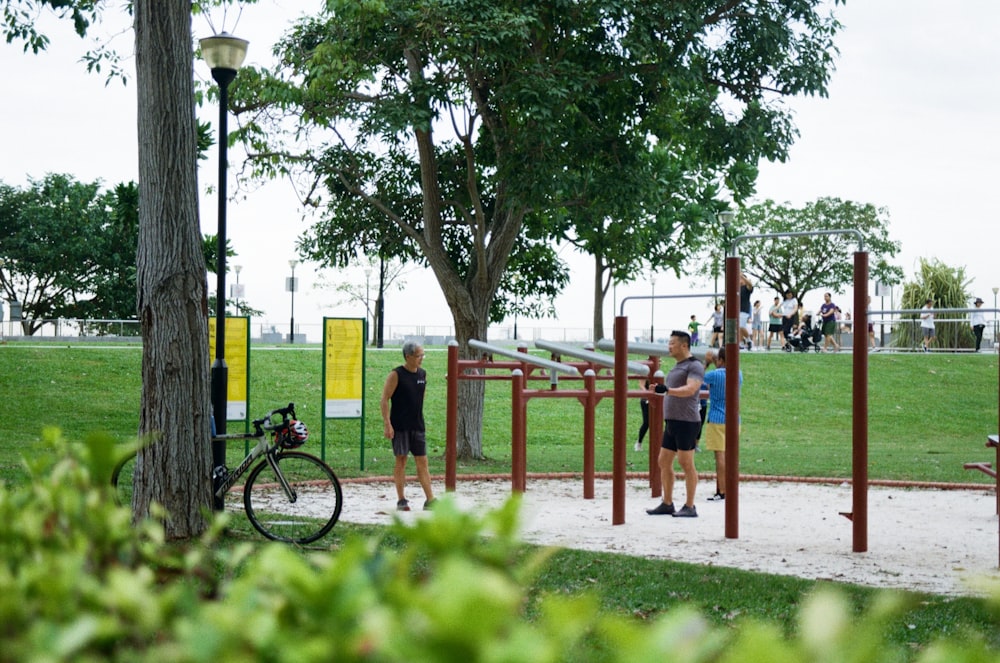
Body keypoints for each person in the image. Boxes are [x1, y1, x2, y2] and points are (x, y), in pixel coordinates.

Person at [646, 330, 705, 518]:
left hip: (687, 422)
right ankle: (667, 503)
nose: (669, 347)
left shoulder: (694, 366)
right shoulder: (677, 366)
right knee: (663, 461)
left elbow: (691, 389)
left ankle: (690, 506)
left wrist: (668, 390)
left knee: (685, 463)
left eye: (672, 343)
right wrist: (661, 390)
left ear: (684, 345)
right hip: (672, 422)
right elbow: (671, 391)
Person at [380, 341, 437, 511]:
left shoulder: (422, 374)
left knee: (423, 461)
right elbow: (384, 399)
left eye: (423, 355)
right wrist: (387, 424)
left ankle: (430, 499)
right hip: (400, 425)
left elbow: (420, 398)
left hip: (417, 425)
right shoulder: (396, 374)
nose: (422, 359)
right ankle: (401, 499)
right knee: (401, 459)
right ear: (408, 356)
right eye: (419, 355)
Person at [701, 347, 741, 501]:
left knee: (720, 456)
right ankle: (731, 488)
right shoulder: (738, 374)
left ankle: (722, 490)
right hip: (734, 419)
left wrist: (706, 363)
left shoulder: (714, 375)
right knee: (731, 455)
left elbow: (697, 379)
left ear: (720, 360)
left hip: (717, 418)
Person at [739, 273, 754, 351]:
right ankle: (740, 343)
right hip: (737, 310)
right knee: (739, 328)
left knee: (741, 326)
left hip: (744, 309)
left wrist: (742, 276)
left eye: (741, 279)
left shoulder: (747, 287)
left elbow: (750, 284)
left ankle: (749, 340)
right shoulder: (738, 288)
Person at [635, 378, 650, 452]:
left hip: (656, 399)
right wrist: (648, 395)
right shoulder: (644, 372)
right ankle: (639, 443)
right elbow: (641, 385)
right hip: (646, 400)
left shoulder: (657, 372)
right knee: (647, 422)